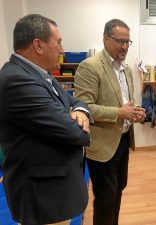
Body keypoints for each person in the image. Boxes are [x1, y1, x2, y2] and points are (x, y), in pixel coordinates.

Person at [0, 14, 91, 225]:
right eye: (58, 42)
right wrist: (73, 117)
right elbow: (73, 131)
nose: (61, 50)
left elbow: (75, 100)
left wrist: (80, 112)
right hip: (43, 198)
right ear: (38, 45)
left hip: (53, 191)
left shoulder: (39, 74)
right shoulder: (16, 80)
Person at [74, 19, 146, 225]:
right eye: (120, 41)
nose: (124, 46)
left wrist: (135, 113)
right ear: (106, 39)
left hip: (122, 140)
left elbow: (125, 105)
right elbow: (84, 107)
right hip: (101, 145)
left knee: (118, 189)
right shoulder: (90, 67)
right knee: (106, 197)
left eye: (128, 42)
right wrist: (120, 113)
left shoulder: (127, 70)